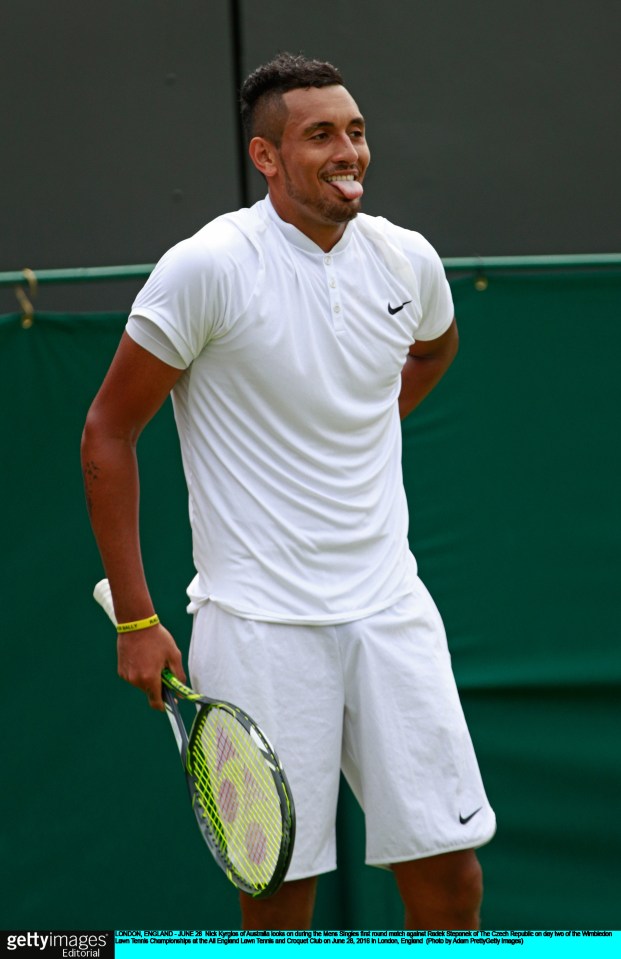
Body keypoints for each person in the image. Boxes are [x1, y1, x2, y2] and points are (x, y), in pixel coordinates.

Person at [81, 52, 495, 930]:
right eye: (319, 136)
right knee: (276, 894)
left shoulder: (404, 259)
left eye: (354, 131)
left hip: (391, 611)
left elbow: (433, 348)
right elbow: (107, 433)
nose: (347, 151)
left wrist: (365, 425)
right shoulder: (206, 268)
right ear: (266, 157)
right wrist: (136, 616)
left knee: (451, 879)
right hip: (257, 624)